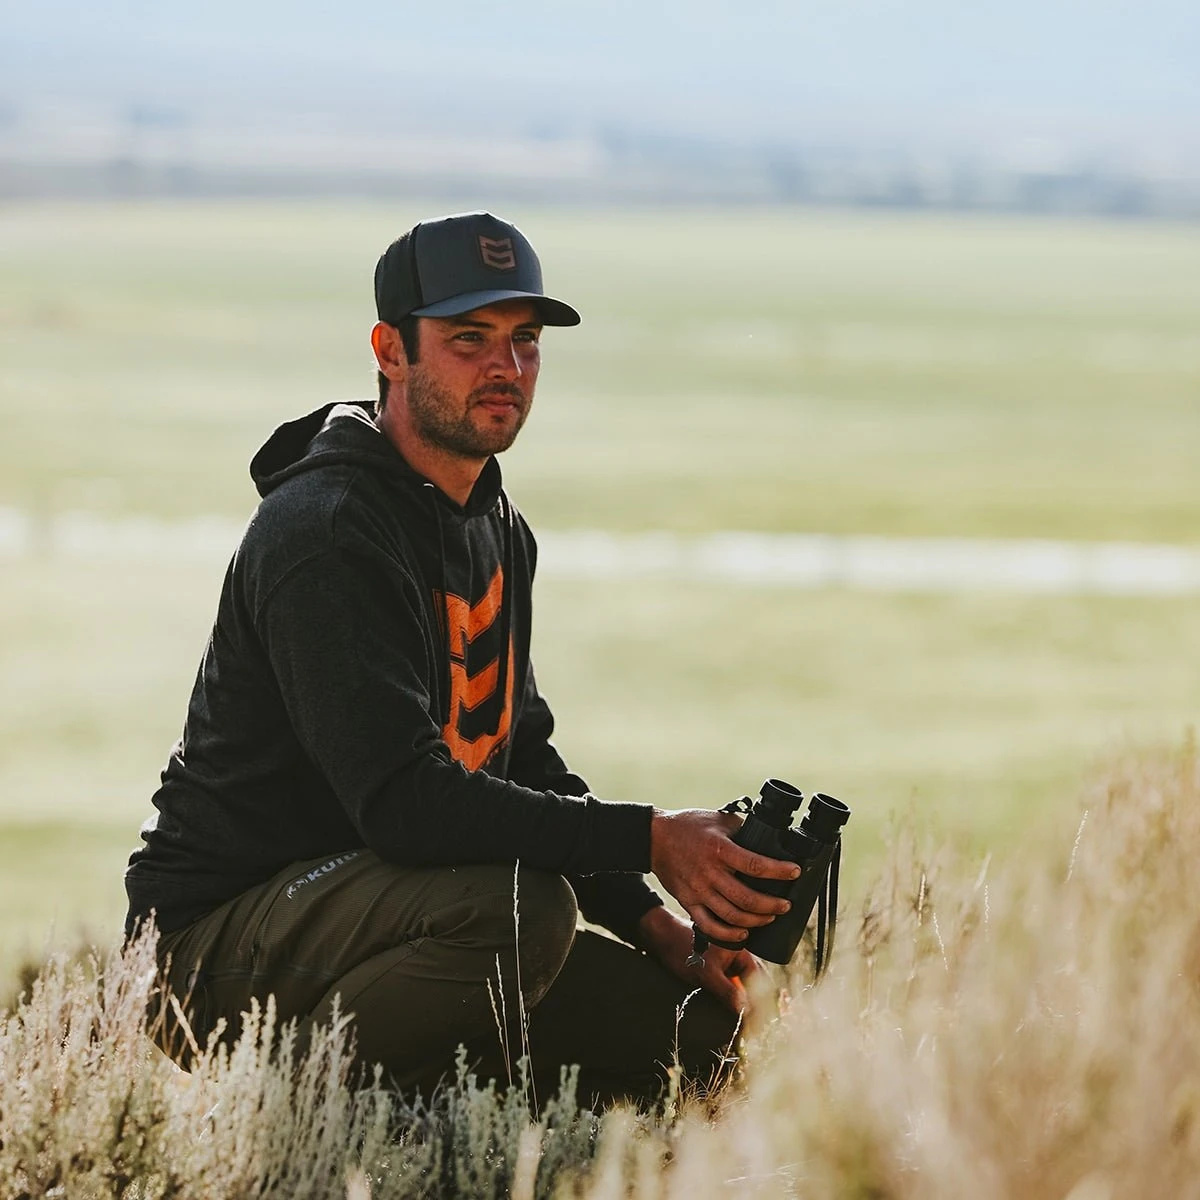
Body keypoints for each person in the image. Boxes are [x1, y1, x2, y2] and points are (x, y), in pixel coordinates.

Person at [124, 211, 800, 1108]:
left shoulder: (495, 525)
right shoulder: (327, 533)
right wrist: (652, 835)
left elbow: (519, 758)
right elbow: (406, 806)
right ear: (391, 351)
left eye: (525, 341)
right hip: (211, 948)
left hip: (400, 923)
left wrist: (653, 923)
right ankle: (291, 1128)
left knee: (696, 1040)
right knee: (522, 911)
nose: (505, 366)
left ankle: (455, 1127)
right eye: (468, 339)